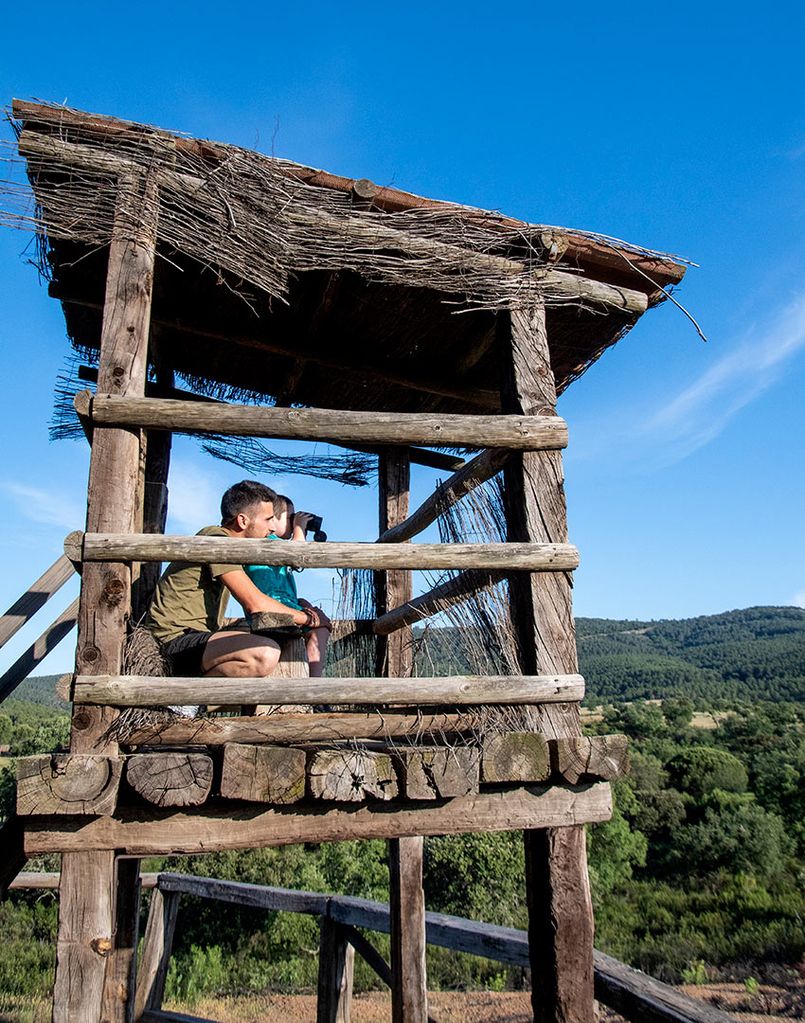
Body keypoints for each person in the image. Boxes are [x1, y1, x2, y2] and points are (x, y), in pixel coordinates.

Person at [146, 480, 331, 678]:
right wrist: (308, 619)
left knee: (267, 642)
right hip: (174, 641)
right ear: (243, 521)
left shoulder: (235, 551)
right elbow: (255, 604)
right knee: (264, 653)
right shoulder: (217, 540)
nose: (271, 528)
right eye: (268, 519)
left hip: (197, 638)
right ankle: (187, 702)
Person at [244, 494, 330, 677]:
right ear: (271, 521)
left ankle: (314, 682)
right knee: (320, 627)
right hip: (274, 606)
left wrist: (300, 531)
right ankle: (315, 683)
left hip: (286, 604)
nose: (293, 522)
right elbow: (297, 555)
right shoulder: (266, 541)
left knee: (319, 622)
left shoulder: (281, 545)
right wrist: (299, 527)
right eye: (290, 517)